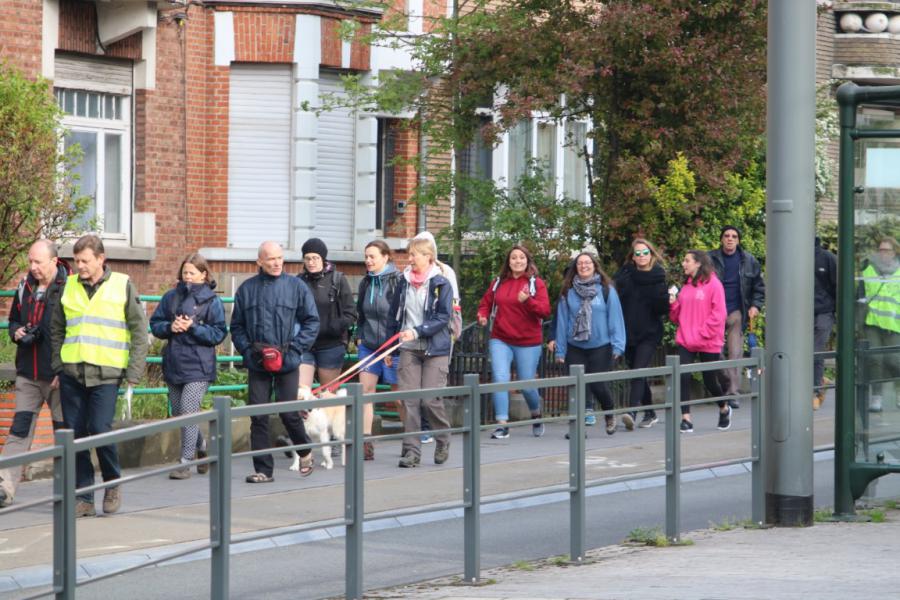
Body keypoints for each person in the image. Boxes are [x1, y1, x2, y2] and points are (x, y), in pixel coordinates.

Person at [50, 234, 149, 517]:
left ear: (101, 259)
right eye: (76, 260)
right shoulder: (68, 286)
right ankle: (83, 497)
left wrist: (134, 372)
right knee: (77, 435)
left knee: (101, 429)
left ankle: (112, 483)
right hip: (72, 374)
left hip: (106, 374)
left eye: (84, 260)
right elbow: (56, 328)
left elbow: (139, 331)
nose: (79, 265)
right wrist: (58, 365)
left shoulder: (122, 285)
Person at [230, 241, 319, 482]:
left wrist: (295, 350)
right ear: (259, 261)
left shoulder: (296, 287)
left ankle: (305, 450)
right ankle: (263, 470)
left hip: (287, 359)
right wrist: (248, 352)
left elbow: (312, 322)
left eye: (280, 257)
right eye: (271, 258)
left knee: (288, 412)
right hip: (257, 361)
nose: (277, 262)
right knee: (258, 415)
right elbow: (236, 326)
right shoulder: (247, 289)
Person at [0, 241, 69, 508]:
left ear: (54, 261)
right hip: (28, 372)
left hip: (56, 375)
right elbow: (14, 320)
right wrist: (16, 332)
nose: (33, 267)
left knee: (63, 432)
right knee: (19, 430)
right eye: (30, 261)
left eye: (38, 262)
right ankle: (4, 487)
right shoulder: (24, 286)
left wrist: (63, 368)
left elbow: (73, 331)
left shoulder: (69, 287)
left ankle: (67, 489)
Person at [149, 253, 227, 479]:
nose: (188, 277)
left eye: (192, 273)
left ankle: (185, 461)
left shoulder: (212, 301)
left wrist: (193, 327)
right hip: (174, 363)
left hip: (200, 366)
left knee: (188, 410)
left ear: (204, 274)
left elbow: (219, 333)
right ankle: (202, 447)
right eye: (185, 272)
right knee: (180, 412)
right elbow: (155, 324)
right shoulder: (170, 297)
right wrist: (170, 327)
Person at [389, 237, 454, 468]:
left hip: (434, 348)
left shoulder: (441, 283)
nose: (410, 259)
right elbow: (394, 314)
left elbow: (443, 317)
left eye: (414, 255)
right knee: (409, 401)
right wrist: (390, 347)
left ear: (428, 257)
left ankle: (443, 439)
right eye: (409, 255)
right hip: (408, 348)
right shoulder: (403, 281)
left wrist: (417, 331)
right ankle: (411, 452)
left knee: (429, 400)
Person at [476, 245, 551, 439]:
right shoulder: (499, 282)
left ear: (527, 261)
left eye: (521, 258)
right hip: (501, 338)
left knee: (526, 385)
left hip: (528, 341)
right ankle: (502, 424)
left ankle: (536, 414)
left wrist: (527, 301)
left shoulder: (536, 283)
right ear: (508, 262)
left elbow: (544, 311)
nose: (517, 261)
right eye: (513, 258)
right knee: (500, 379)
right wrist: (482, 315)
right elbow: (486, 303)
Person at [555, 252, 626, 435]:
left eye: (587, 263)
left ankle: (609, 413)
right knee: (576, 387)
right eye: (580, 263)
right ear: (575, 267)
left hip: (600, 345)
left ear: (594, 266)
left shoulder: (606, 290)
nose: (584, 266)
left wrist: (618, 345)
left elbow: (615, 318)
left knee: (597, 385)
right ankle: (577, 428)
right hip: (575, 346)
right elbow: (562, 322)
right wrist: (560, 351)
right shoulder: (567, 291)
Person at [669, 250, 730, 433]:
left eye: (687, 260)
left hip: (708, 340)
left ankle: (724, 408)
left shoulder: (714, 284)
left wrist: (703, 332)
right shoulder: (686, 286)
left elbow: (719, 314)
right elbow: (677, 317)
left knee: (710, 381)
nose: (683, 263)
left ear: (698, 263)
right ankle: (686, 418)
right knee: (683, 377)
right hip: (686, 340)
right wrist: (673, 304)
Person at [614, 238, 669, 429]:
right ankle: (651, 412)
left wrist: (664, 299)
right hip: (628, 331)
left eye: (645, 252)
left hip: (649, 332)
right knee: (638, 372)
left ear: (651, 254)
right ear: (633, 256)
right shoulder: (625, 274)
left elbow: (662, 309)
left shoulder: (658, 276)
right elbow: (615, 296)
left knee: (638, 371)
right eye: (638, 253)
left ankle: (631, 412)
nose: (642, 256)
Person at [356, 240, 403, 461]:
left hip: (392, 346)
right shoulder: (366, 282)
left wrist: (392, 349)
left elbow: (401, 317)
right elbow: (361, 314)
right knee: (366, 391)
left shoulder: (397, 282)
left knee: (398, 395)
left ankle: (412, 438)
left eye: (372, 256)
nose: (368, 260)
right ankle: (366, 440)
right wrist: (358, 336)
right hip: (369, 345)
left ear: (386, 257)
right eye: (366, 256)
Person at [709, 226, 765, 407]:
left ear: (738, 240)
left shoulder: (749, 260)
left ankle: (732, 393)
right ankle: (727, 380)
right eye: (726, 236)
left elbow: (759, 286)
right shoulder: (710, 259)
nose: (730, 239)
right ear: (721, 239)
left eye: (734, 236)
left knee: (735, 354)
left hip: (736, 311)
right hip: (714, 312)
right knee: (714, 353)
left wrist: (755, 306)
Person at [298, 238, 356, 390]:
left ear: (323, 259)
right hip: (305, 344)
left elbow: (351, 312)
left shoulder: (338, 280)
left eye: (315, 258)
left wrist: (336, 326)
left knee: (328, 393)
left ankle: (329, 415)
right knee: (301, 391)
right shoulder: (298, 282)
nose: (311, 262)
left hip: (331, 345)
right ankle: (303, 414)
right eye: (307, 258)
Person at [859, 237, 900, 413]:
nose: (884, 253)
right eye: (881, 250)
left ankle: (899, 392)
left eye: (887, 250)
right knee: (875, 359)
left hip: (894, 323)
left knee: (895, 360)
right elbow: (860, 295)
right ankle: (877, 396)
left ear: (895, 252)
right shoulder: (868, 269)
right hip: (872, 322)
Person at [813, 237, 837, 411]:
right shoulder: (794, 255)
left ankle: (815, 392)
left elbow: (837, 285)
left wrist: (834, 311)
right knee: (804, 353)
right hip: (801, 313)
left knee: (816, 352)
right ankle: (820, 382)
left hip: (824, 312)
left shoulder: (827, 258)